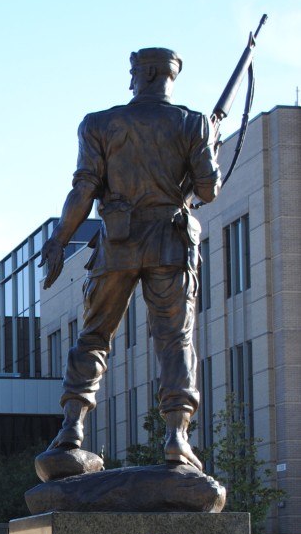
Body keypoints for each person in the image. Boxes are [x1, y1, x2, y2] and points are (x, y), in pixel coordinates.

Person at [39, 47, 221, 470]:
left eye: (133, 73)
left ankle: (72, 427)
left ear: (146, 74)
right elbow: (208, 190)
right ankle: (176, 436)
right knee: (175, 341)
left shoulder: (99, 123)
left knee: (93, 337)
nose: (131, 80)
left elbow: (84, 189)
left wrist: (59, 240)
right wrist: (207, 145)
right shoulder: (192, 123)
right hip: (170, 246)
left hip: (117, 244)